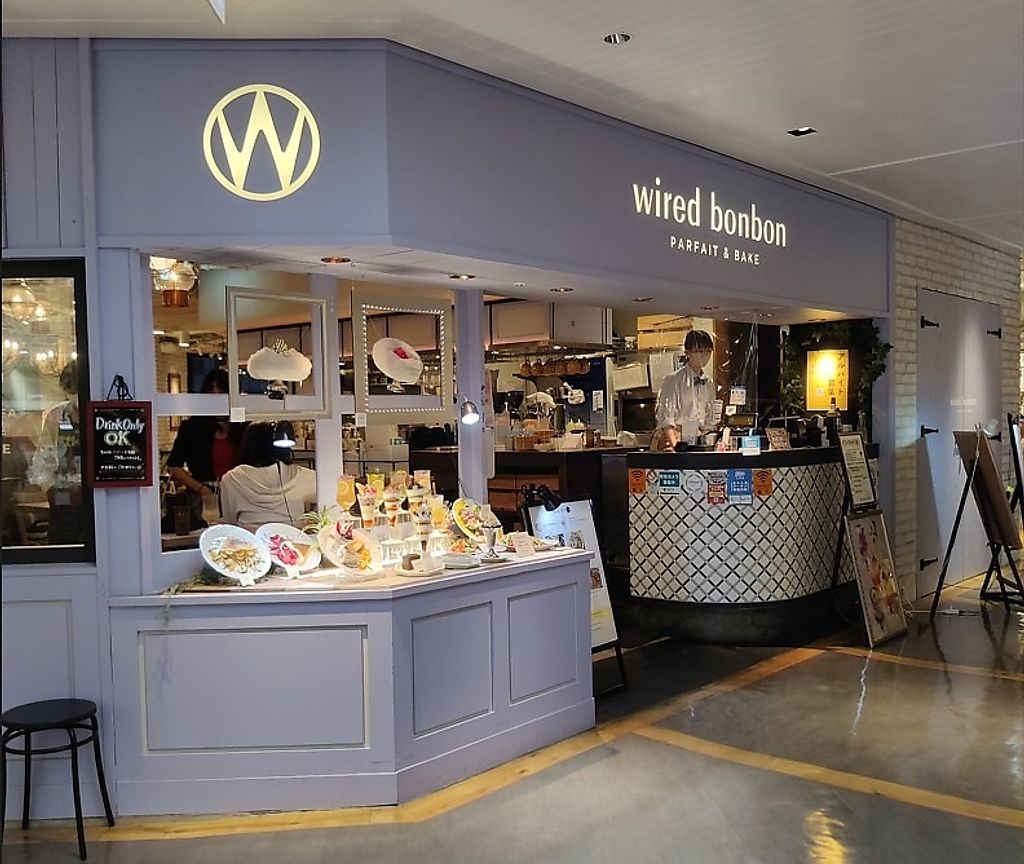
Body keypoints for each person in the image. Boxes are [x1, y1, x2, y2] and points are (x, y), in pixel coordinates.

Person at [219, 421, 317, 530]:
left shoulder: (231, 479)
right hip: (293, 538)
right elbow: (325, 506)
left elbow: (230, 524)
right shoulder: (305, 476)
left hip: (250, 539)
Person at [27, 360, 85, 544]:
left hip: (97, 501)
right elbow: (41, 462)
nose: (75, 396)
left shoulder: (103, 417)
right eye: (70, 392)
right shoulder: (56, 417)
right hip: (63, 504)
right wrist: (51, 490)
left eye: (77, 390)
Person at [165, 369, 245, 500]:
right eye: (211, 392)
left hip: (239, 494)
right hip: (204, 494)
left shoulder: (243, 427)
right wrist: (200, 488)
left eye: (221, 391)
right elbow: (173, 466)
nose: (216, 396)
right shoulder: (193, 427)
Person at [652, 329, 716, 451]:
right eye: (698, 351)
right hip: (676, 439)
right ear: (687, 352)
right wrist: (675, 446)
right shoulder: (673, 380)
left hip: (699, 441)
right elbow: (666, 418)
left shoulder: (709, 383)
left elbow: (709, 418)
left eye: (708, 351)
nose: (704, 355)